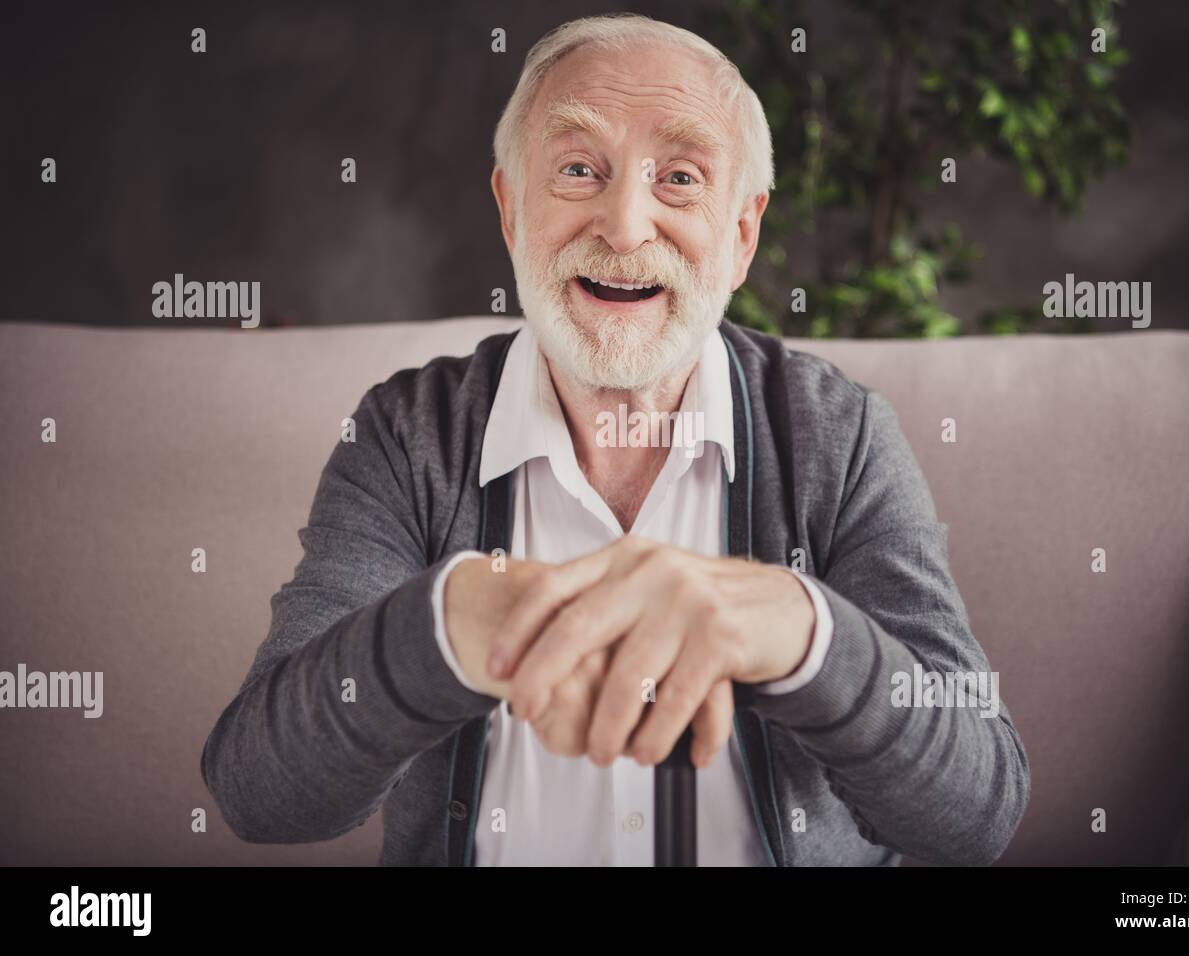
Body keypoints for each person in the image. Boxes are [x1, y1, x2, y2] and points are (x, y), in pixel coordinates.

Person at [200, 13, 1030, 866]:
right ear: (512, 210)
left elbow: (978, 813)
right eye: (577, 169)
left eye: (678, 177)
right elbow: (262, 794)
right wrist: (446, 625)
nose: (626, 226)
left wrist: (799, 628)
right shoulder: (406, 435)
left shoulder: (843, 435)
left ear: (742, 233)